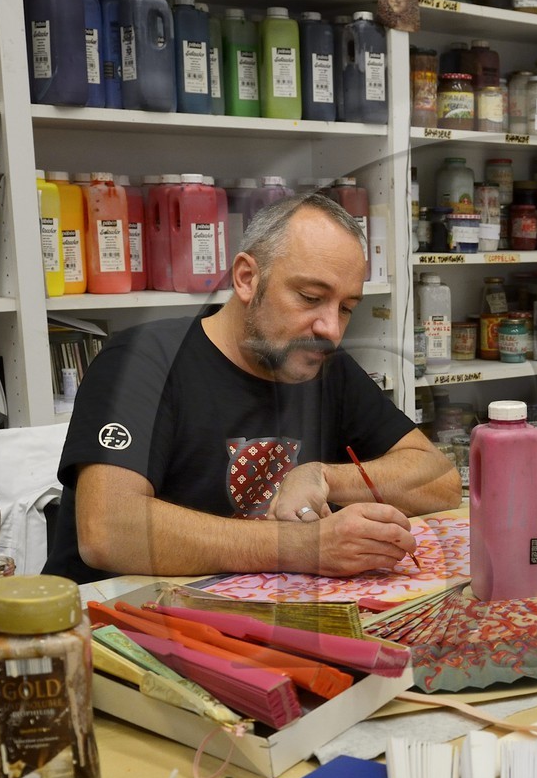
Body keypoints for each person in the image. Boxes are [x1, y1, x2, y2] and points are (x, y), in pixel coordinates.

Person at [45, 194, 460, 583]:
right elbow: (109, 529)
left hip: (251, 619)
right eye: (311, 297)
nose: (331, 330)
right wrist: (303, 547)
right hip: (112, 630)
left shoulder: (325, 366)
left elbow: (441, 483)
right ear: (246, 278)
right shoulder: (142, 362)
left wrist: (325, 477)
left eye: (347, 308)